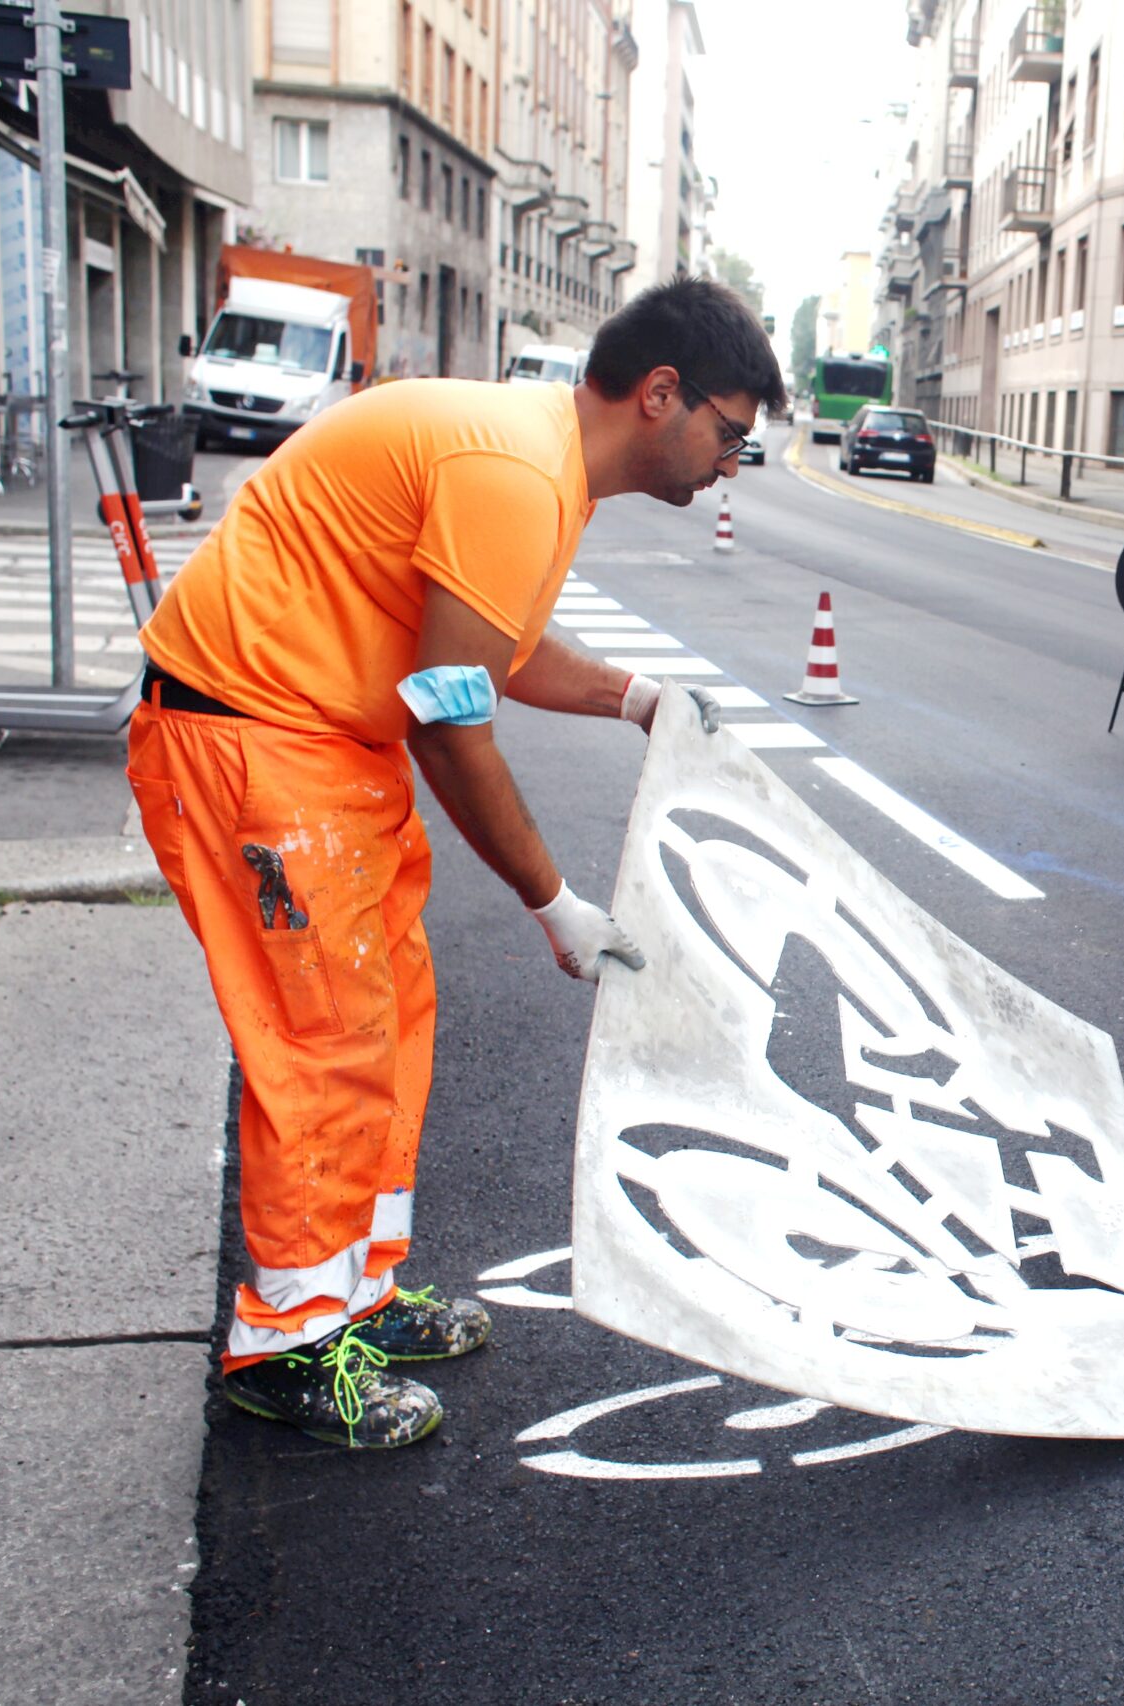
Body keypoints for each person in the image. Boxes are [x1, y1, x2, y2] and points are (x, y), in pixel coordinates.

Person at [129, 274, 786, 1448]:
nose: (729, 460)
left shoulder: (540, 465)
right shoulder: (518, 473)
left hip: (321, 741)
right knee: (327, 1041)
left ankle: (357, 1295)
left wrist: (636, 698)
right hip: (256, 737)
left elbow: (493, 647)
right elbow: (448, 713)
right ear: (661, 394)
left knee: (390, 1021)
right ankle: (286, 1343)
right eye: (728, 432)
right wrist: (553, 899)